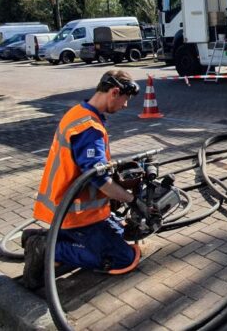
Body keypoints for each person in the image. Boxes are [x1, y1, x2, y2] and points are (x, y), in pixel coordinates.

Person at [21, 70, 142, 289]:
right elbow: (100, 180)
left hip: (68, 208)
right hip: (76, 215)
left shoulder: (79, 113)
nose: (125, 105)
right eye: (126, 99)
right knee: (123, 257)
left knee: (119, 231)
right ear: (115, 92)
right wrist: (131, 200)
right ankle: (46, 247)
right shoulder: (89, 129)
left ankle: (51, 237)